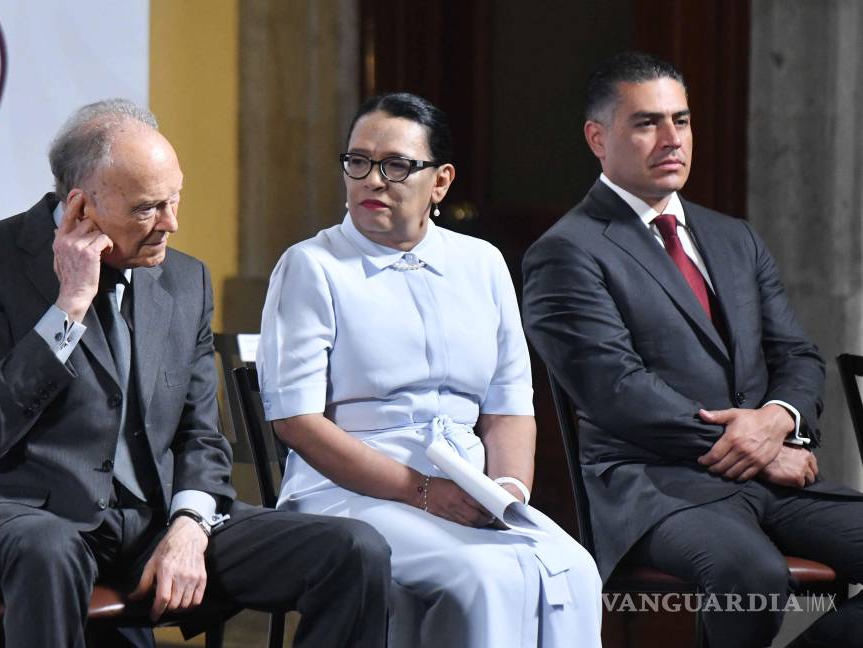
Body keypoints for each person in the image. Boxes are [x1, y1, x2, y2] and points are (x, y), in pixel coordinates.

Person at [0, 99, 391, 648]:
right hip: (34, 518)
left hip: (156, 522)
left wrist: (190, 525)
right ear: (81, 205)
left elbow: (201, 435)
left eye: (175, 200)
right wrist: (69, 306)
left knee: (354, 550)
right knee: (47, 552)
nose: (170, 224)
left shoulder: (185, 280)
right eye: (149, 208)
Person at [522, 51, 863, 648]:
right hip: (655, 488)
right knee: (751, 575)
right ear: (597, 138)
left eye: (681, 120)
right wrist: (755, 447)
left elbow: (798, 356)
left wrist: (778, 419)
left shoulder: (734, 237)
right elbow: (617, 392)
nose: (671, 138)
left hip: (772, 482)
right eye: (647, 122)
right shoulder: (566, 251)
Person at [256, 92, 602, 648]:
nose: (372, 180)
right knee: (485, 579)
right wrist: (419, 490)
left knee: (575, 569)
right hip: (345, 490)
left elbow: (510, 405)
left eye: (396, 166)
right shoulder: (311, 266)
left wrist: (506, 491)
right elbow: (295, 421)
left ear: (440, 182)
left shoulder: (482, 263)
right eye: (358, 162)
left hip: (467, 487)